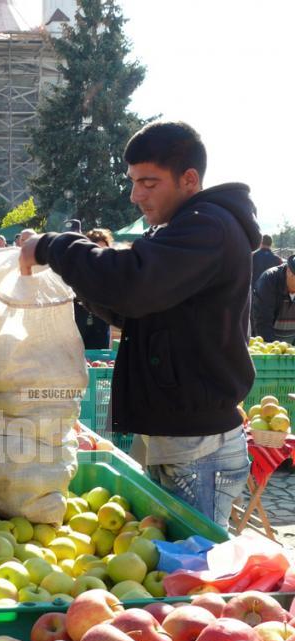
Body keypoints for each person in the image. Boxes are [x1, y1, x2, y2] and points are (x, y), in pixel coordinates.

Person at [21, 120, 259, 526]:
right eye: (133, 181)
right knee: (172, 564)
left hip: (199, 448)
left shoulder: (207, 227)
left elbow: (133, 283)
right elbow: (133, 307)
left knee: (194, 570)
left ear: (189, 179)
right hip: (180, 439)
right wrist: (73, 277)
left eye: (149, 182)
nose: (136, 195)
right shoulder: (182, 229)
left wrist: (51, 245)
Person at [73, 228, 114, 349]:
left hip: (100, 332)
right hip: (77, 332)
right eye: (96, 250)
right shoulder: (76, 272)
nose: (100, 255)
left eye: (104, 251)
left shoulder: (112, 275)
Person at [253, 254, 295, 344]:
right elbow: (263, 321)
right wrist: (273, 350)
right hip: (269, 348)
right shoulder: (269, 280)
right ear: (289, 272)